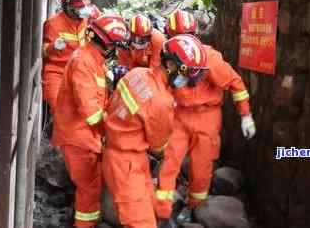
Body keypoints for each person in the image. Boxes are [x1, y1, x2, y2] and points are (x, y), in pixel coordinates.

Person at [155, 28, 257, 222]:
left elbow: (236, 84)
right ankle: (162, 210)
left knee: (201, 166)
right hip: (180, 115)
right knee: (170, 160)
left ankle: (196, 208)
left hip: (207, 116)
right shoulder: (168, 59)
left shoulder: (210, 61)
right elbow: (157, 88)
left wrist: (246, 115)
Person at [52, 14, 130, 228]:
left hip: (85, 134)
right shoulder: (84, 62)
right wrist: (118, 130)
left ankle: (88, 220)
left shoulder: (94, 59)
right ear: (106, 44)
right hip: (78, 136)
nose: (117, 51)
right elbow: (92, 113)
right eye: (115, 46)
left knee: (90, 185)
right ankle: (85, 224)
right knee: (89, 188)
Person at [102, 59, 175, 228]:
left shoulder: (137, 73)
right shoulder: (161, 101)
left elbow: (113, 102)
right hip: (127, 164)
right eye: (188, 74)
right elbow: (157, 144)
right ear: (172, 66)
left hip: (119, 151)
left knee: (149, 204)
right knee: (141, 223)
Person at [42, 0, 93, 112]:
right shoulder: (53, 24)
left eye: (84, 6)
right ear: (69, 8)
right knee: (60, 110)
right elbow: (42, 52)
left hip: (79, 72)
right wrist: (53, 47)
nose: (84, 10)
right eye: (79, 8)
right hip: (57, 73)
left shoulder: (84, 22)